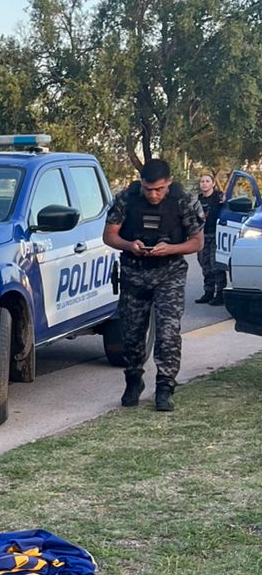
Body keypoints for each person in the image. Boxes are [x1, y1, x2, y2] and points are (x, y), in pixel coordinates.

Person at [103, 158, 205, 412]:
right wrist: (130, 245)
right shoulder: (127, 198)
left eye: (159, 189)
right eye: (148, 189)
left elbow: (197, 242)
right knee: (131, 334)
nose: (153, 195)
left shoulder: (184, 201)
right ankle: (133, 380)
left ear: (169, 182)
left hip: (169, 274)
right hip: (133, 273)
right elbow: (109, 235)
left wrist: (171, 249)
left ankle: (165, 386)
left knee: (168, 332)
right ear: (141, 183)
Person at [192, 172, 226, 305]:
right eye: (202, 181)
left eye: (207, 181)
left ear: (213, 184)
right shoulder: (197, 200)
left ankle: (220, 294)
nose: (204, 184)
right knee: (205, 265)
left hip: (216, 235)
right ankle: (208, 292)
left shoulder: (219, 197)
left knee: (216, 265)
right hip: (202, 235)